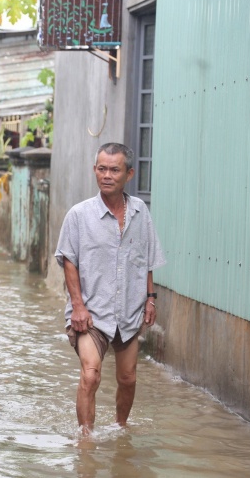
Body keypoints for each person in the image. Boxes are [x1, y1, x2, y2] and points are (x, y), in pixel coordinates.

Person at [55, 142, 166, 435]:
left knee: (128, 378)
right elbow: (69, 261)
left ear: (128, 174)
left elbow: (146, 259)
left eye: (114, 170)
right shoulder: (79, 215)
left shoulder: (141, 213)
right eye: (101, 168)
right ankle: (86, 439)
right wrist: (77, 306)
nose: (106, 175)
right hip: (91, 313)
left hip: (129, 311)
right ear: (94, 170)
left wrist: (151, 299)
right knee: (90, 375)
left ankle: (120, 428)